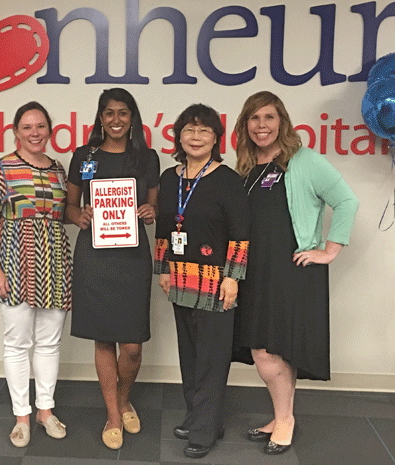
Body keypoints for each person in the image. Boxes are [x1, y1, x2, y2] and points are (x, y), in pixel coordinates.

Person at [232, 91, 359, 455]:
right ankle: (281, 415)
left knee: (271, 351)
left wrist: (329, 250)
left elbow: (347, 200)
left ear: (282, 122)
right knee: (271, 350)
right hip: (254, 271)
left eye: (268, 118)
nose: (261, 126)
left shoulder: (303, 161)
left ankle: (285, 419)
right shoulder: (245, 166)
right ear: (245, 125)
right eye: (254, 119)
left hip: (289, 270)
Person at [154, 104, 250, 459]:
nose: (196, 137)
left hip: (215, 282)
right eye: (189, 130)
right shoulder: (169, 178)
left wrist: (233, 279)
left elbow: (241, 234)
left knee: (212, 357)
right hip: (179, 280)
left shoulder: (228, 180)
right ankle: (200, 416)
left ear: (216, 138)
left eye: (204, 131)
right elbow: (165, 228)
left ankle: (205, 429)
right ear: (179, 135)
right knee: (190, 354)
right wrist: (162, 269)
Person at [66, 88, 160, 450]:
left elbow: (154, 207)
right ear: (100, 117)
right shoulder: (83, 156)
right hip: (95, 256)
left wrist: (151, 212)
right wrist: (80, 215)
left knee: (132, 345)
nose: (116, 120)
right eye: (109, 113)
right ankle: (112, 413)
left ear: (132, 117)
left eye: (123, 113)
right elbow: (67, 207)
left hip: (133, 257)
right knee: (104, 338)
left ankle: (124, 399)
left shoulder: (147, 157)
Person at [0, 102, 72, 448]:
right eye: (28, 127)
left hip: (55, 264)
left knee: (49, 342)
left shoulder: (59, 169)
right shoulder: (1, 168)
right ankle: (22, 416)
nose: (35, 133)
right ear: (15, 131)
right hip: (13, 264)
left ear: (50, 130)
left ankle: (45, 411)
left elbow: (62, 215)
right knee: (17, 343)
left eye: (41, 126)